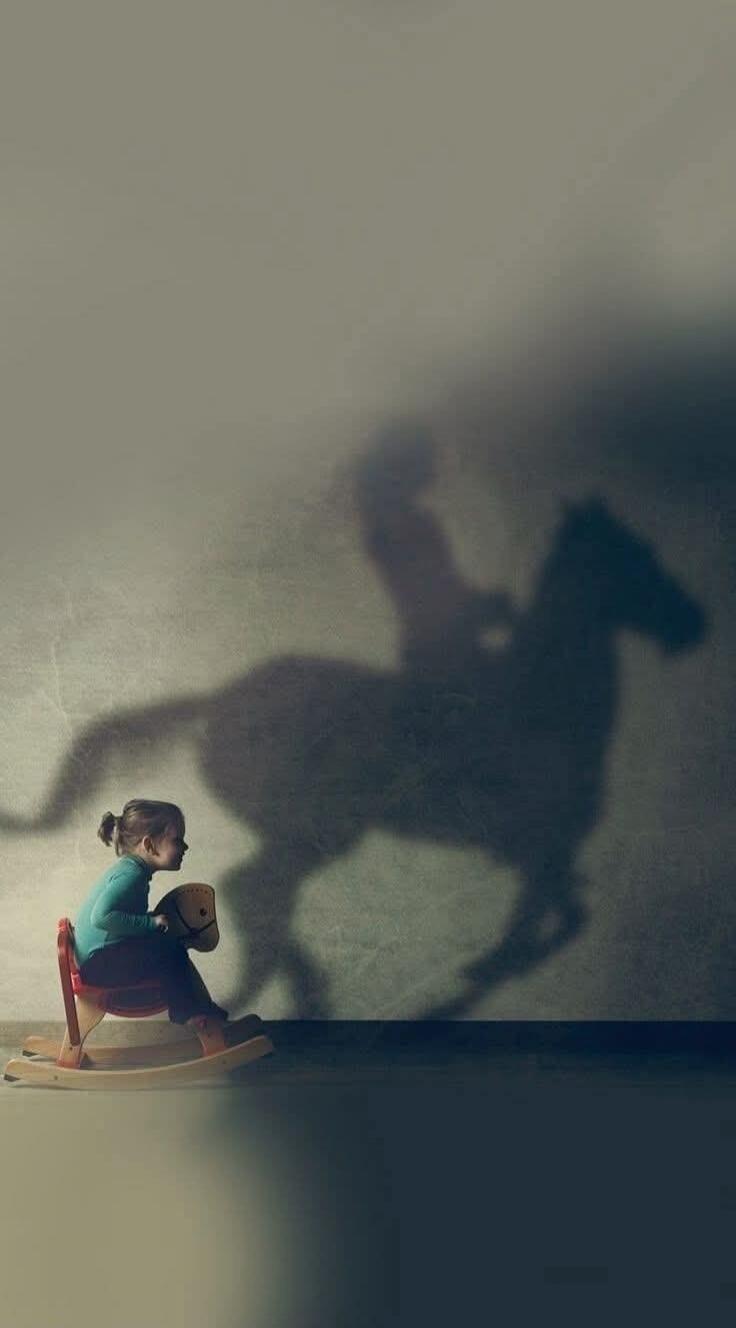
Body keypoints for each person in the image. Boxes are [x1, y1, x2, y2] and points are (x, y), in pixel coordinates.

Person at [74, 798, 228, 1024]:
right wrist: (149, 923)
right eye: (178, 840)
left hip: (101, 957)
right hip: (99, 964)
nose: (185, 847)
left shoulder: (132, 870)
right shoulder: (132, 875)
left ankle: (197, 1006)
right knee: (171, 950)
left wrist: (149, 921)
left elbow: (117, 917)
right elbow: (102, 917)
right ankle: (188, 1012)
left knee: (167, 945)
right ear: (149, 845)